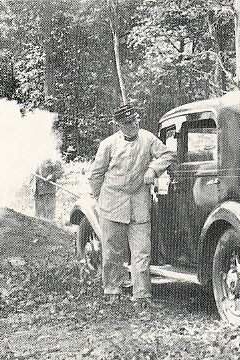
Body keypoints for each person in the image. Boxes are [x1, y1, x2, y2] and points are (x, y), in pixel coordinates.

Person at [88, 104, 176, 308]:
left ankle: (142, 296)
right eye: (127, 123)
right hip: (112, 204)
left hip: (139, 204)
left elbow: (168, 155)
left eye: (135, 120)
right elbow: (96, 175)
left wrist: (153, 170)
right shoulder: (108, 145)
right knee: (113, 252)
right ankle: (112, 291)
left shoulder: (147, 138)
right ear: (118, 125)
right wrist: (99, 198)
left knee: (141, 252)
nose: (133, 125)